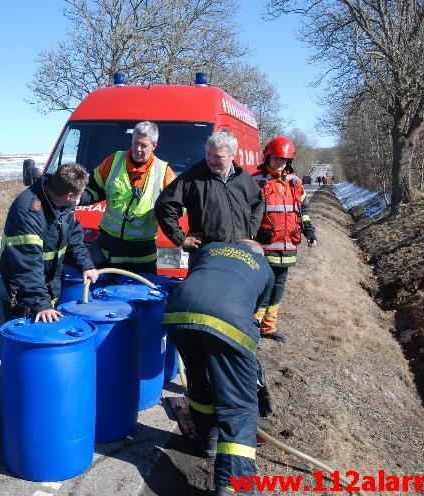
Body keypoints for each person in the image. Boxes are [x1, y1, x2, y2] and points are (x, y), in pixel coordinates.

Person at [163, 240, 274, 496]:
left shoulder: (210, 250)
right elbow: (252, 312)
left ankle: (208, 441)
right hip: (228, 323)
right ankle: (233, 486)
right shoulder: (264, 268)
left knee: (199, 380)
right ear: (259, 253)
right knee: (239, 408)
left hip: (178, 316)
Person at [0, 162, 99, 322]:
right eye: (79, 195)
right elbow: (27, 265)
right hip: (24, 284)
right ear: (69, 196)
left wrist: (85, 265)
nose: (81, 199)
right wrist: (41, 304)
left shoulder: (64, 204)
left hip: (51, 276)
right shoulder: (28, 212)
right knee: (29, 326)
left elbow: (73, 238)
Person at [80, 121, 176, 273]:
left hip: (141, 257)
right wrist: (78, 198)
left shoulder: (164, 171)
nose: (138, 149)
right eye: (135, 143)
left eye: (143, 145)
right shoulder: (114, 160)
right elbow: (94, 188)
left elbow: (177, 208)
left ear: (154, 146)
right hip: (107, 250)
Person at [155, 129, 264, 256]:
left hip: (239, 255)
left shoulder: (243, 177)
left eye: (218, 156)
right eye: (208, 154)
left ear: (232, 155)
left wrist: (251, 230)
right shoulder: (193, 178)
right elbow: (164, 206)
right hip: (206, 256)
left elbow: (258, 203)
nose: (211, 160)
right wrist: (181, 239)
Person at [252, 136, 317, 342]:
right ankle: (252, 327)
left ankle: (269, 328)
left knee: (279, 286)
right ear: (268, 157)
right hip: (265, 245)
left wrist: (309, 232)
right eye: (277, 158)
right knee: (264, 285)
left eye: (284, 159)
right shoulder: (256, 181)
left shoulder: (295, 182)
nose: (280, 162)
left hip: (288, 243)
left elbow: (302, 210)